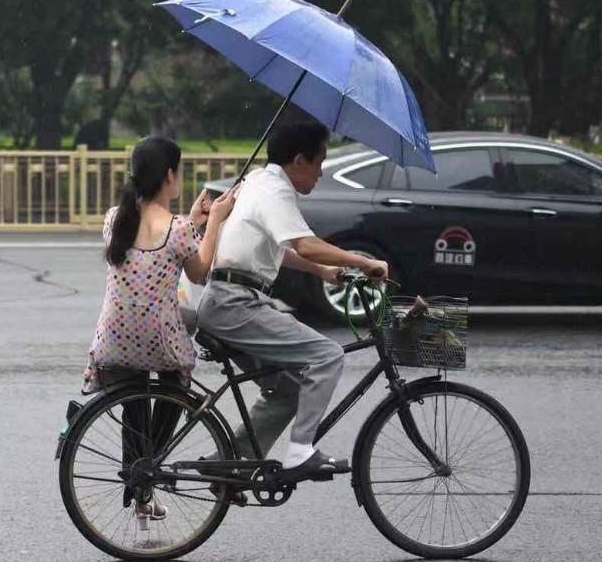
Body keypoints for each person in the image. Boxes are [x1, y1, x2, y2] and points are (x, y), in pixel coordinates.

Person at [196, 121, 389, 482]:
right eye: (319, 163)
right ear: (299, 160)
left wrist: (325, 271)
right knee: (326, 355)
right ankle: (301, 452)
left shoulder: (258, 181)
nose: (320, 173)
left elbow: (281, 249)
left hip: (228, 302)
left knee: (288, 390)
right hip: (235, 305)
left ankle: (232, 461)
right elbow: (303, 242)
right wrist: (364, 261)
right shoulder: (274, 191)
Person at [85, 136, 239, 520]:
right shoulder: (179, 229)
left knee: (134, 406)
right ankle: (150, 468)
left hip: (115, 338)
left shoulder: (113, 219)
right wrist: (215, 220)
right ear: (170, 175)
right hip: (159, 340)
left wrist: (192, 219)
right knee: (173, 389)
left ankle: (138, 483)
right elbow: (200, 272)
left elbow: (155, 237)